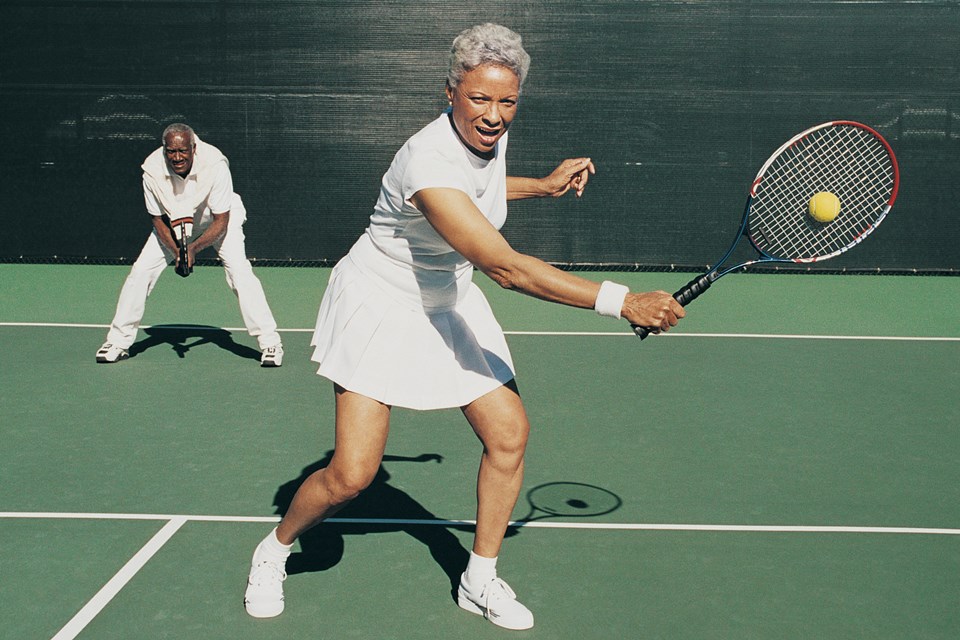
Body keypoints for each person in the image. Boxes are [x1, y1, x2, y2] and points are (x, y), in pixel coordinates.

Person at [243, 23, 684, 630]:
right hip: (383, 303)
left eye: (508, 102)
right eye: (479, 98)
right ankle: (274, 549)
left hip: (446, 297)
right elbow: (505, 267)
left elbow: (479, 186)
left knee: (508, 435)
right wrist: (622, 300)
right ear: (449, 92)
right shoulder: (425, 158)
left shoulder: (488, 135)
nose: (495, 115)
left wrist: (540, 185)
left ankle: (480, 578)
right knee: (352, 475)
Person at [96, 123, 284, 367]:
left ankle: (270, 343)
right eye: (171, 152)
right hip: (172, 224)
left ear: (194, 148)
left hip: (216, 219)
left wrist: (192, 249)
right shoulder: (151, 170)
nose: (177, 157)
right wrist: (177, 252)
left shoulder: (215, 164)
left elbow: (222, 221)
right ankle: (118, 342)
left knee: (239, 272)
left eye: (182, 151)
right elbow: (157, 220)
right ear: (164, 150)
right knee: (140, 272)